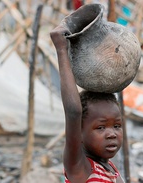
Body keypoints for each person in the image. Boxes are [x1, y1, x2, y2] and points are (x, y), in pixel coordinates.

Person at [50, 24, 125, 183]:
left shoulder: (110, 168)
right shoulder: (80, 168)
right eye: (101, 127)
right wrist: (62, 50)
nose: (111, 134)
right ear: (79, 134)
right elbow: (73, 112)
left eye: (117, 126)